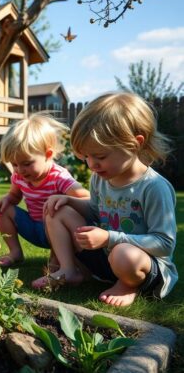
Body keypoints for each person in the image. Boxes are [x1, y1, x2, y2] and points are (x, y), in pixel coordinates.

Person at [38, 92, 177, 307]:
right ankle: (69, 269)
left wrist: (109, 238)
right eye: (86, 156)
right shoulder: (100, 178)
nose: (91, 164)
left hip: (141, 265)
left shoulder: (153, 187)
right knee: (58, 211)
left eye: (100, 156)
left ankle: (128, 285)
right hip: (107, 256)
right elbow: (95, 211)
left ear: (135, 144)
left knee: (123, 253)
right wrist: (69, 201)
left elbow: (164, 243)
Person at [0, 113, 89, 268]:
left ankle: (58, 258)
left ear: (47, 154)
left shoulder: (59, 177)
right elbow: (14, 196)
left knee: (57, 211)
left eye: (27, 163)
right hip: (35, 228)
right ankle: (15, 252)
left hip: (58, 230)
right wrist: (6, 199)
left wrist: (67, 200)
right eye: (14, 164)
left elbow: (86, 198)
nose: (20, 170)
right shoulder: (19, 176)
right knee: (0, 209)